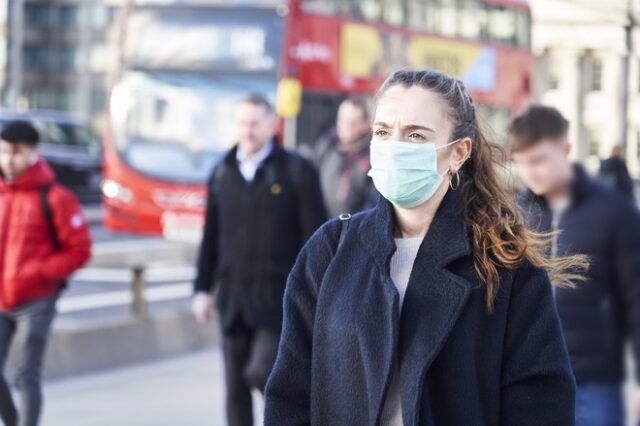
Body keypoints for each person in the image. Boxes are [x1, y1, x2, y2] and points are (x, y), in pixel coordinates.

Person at [264, 70, 584, 425]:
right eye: (383, 132)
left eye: (415, 135)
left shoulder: (505, 265)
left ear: (458, 153)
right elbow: (290, 394)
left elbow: (540, 403)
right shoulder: (329, 250)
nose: (394, 147)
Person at [192, 94, 327, 426]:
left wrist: (317, 292)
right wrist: (201, 289)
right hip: (233, 299)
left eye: (254, 124)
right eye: (242, 124)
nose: (248, 131)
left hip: (279, 301)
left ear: (271, 125)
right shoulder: (222, 173)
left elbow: (317, 237)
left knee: (264, 373)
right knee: (234, 391)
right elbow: (210, 236)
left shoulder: (297, 171)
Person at [509, 105, 640, 426]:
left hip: (592, 381)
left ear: (565, 150)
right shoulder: (516, 216)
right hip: (530, 378)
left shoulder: (613, 212)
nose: (530, 172)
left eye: (538, 160)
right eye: (522, 162)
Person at [0, 120, 91, 426]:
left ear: (33, 153)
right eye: (3, 152)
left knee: (27, 373)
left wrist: (40, 272)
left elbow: (79, 250)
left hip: (37, 299)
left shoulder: (55, 197)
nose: (8, 160)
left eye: (15, 152)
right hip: (2, 298)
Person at [313, 97, 377, 217]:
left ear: (364, 124)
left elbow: (373, 202)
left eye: (352, 123)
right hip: (323, 226)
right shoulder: (326, 146)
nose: (345, 127)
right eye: (342, 120)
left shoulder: (372, 154)